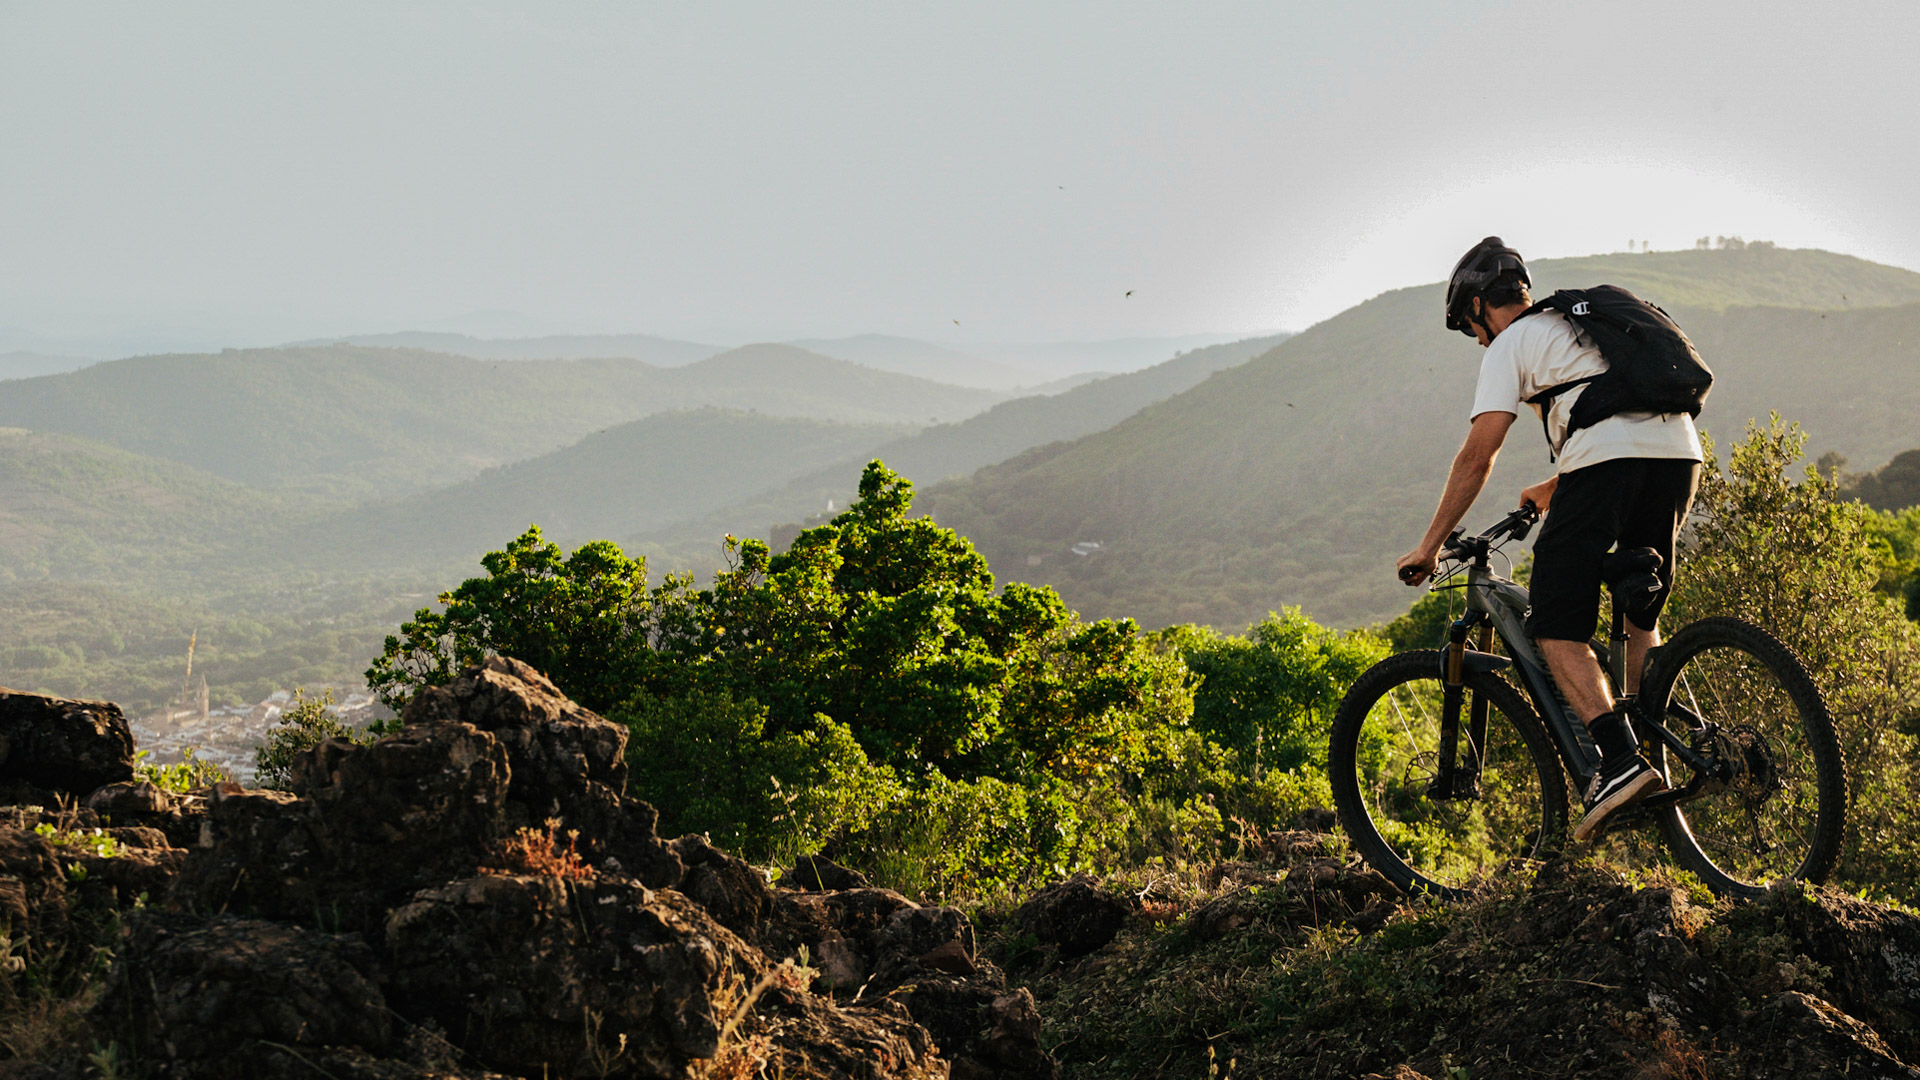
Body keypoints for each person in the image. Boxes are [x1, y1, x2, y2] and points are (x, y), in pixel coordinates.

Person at [1395, 237, 1703, 842]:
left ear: (1483, 306)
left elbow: (1479, 453)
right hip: (1680, 454)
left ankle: (1617, 764)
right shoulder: (1578, 323)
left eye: (1469, 327)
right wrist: (1554, 486)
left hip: (1607, 464)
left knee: (1554, 624)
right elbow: (1615, 416)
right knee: (1639, 616)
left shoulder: (1510, 344)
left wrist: (1428, 547)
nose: (1476, 341)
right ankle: (1649, 744)